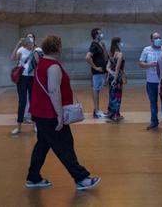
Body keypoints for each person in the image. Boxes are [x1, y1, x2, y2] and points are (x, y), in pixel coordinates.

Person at [26, 35, 101, 191]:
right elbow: (54, 91)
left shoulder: (42, 63)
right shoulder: (53, 66)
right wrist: (59, 115)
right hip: (50, 114)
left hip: (41, 113)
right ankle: (81, 178)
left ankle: (33, 177)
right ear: (58, 47)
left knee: (42, 145)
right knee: (65, 145)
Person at [10, 34, 42, 135]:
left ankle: (35, 125)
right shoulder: (21, 49)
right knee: (22, 102)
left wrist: (35, 49)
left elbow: (40, 63)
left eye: (31, 38)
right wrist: (18, 44)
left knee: (33, 101)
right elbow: (13, 58)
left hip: (33, 77)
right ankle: (19, 127)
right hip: (22, 78)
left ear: (33, 40)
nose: (28, 41)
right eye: (27, 38)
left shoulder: (38, 50)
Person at [139, 32, 162, 130]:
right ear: (151, 40)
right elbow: (141, 63)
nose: (158, 39)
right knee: (153, 102)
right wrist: (149, 64)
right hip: (151, 81)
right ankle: (154, 121)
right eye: (156, 38)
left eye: (159, 38)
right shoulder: (146, 50)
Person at [85, 28, 108, 118]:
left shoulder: (99, 45)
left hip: (101, 72)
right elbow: (87, 57)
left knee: (97, 89)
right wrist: (95, 67)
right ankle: (96, 111)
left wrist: (104, 47)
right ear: (95, 35)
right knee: (96, 90)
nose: (101, 35)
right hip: (97, 73)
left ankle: (97, 110)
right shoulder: (94, 45)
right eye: (100, 33)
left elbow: (106, 58)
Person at [106, 37, 126, 122]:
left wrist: (110, 73)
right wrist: (115, 78)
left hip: (111, 76)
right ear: (117, 43)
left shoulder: (111, 53)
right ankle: (115, 115)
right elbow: (118, 68)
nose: (121, 43)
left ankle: (111, 113)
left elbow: (107, 67)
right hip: (117, 77)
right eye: (120, 42)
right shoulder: (120, 54)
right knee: (117, 96)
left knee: (111, 95)